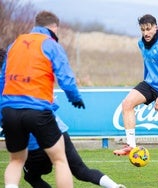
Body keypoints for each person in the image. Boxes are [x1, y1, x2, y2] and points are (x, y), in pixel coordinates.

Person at [0, 11, 85, 188]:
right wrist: (75, 97)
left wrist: (3, 111)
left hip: (9, 110)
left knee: (16, 161)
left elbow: (3, 79)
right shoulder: (51, 44)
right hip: (36, 109)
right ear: (54, 27)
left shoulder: (14, 44)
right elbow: (65, 77)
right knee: (60, 160)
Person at [113, 14, 158, 182]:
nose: (146, 33)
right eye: (143, 30)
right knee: (127, 103)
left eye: (148, 29)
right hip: (150, 84)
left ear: (156, 27)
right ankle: (131, 145)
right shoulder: (141, 43)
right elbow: (147, 63)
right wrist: (146, 83)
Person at [23, 103, 125, 188]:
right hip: (59, 132)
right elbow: (54, 104)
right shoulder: (40, 85)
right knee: (81, 171)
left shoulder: (11, 97)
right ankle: (114, 186)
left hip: (36, 142)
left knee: (31, 177)